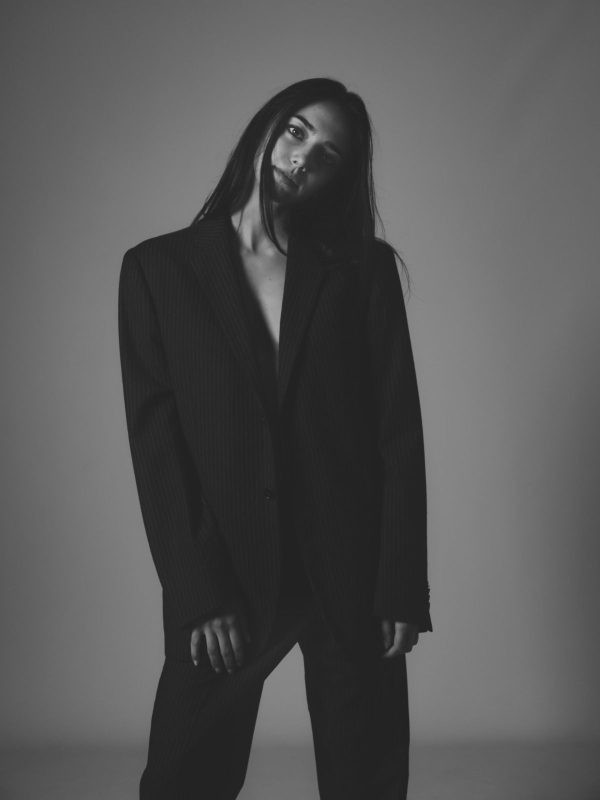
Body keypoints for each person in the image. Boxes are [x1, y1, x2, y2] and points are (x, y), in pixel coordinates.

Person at [118, 76, 432, 800]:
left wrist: (399, 583)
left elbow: (397, 432)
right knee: (182, 780)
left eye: (328, 154)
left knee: (367, 782)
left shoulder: (363, 272)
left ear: (341, 178)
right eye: (296, 131)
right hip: (226, 576)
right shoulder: (158, 271)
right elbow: (157, 448)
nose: (302, 158)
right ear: (265, 127)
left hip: (351, 573)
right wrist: (200, 593)